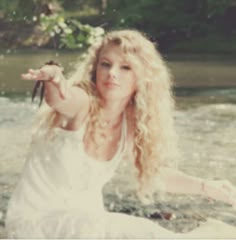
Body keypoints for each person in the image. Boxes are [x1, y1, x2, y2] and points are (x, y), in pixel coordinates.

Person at [5, 29, 236, 239]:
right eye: (106, 64)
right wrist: (54, 79)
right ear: (95, 68)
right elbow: (60, 99)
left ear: (141, 79)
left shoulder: (130, 125)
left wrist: (205, 186)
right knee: (127, 229)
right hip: (35, 224)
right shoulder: (82, 102)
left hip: (88, 228)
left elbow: (154, 174)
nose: (112, 73)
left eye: (125, 67)